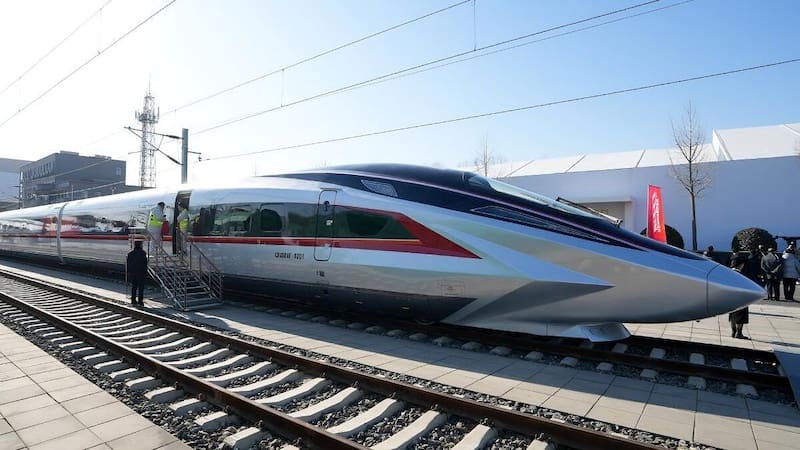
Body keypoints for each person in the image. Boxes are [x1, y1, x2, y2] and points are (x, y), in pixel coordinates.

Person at [728, 250, 759, 339]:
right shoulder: (741, 274)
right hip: (741, 297)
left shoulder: (729, 272)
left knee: (732, 315)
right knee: (741, 316)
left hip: (731, 297)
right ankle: (739, 333)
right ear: (741, 264)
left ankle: (733, 331)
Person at [126, 240, 148, 306]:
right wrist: (145, 272)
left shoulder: (130, 253)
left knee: (134, 287)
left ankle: (133, 300)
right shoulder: (143, 253)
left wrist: (129, 272)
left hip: (133, 273)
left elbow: (128, 264)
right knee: (141, 287)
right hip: (141, 273)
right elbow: (145, 264)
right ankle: (140, 301)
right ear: (140, 245)